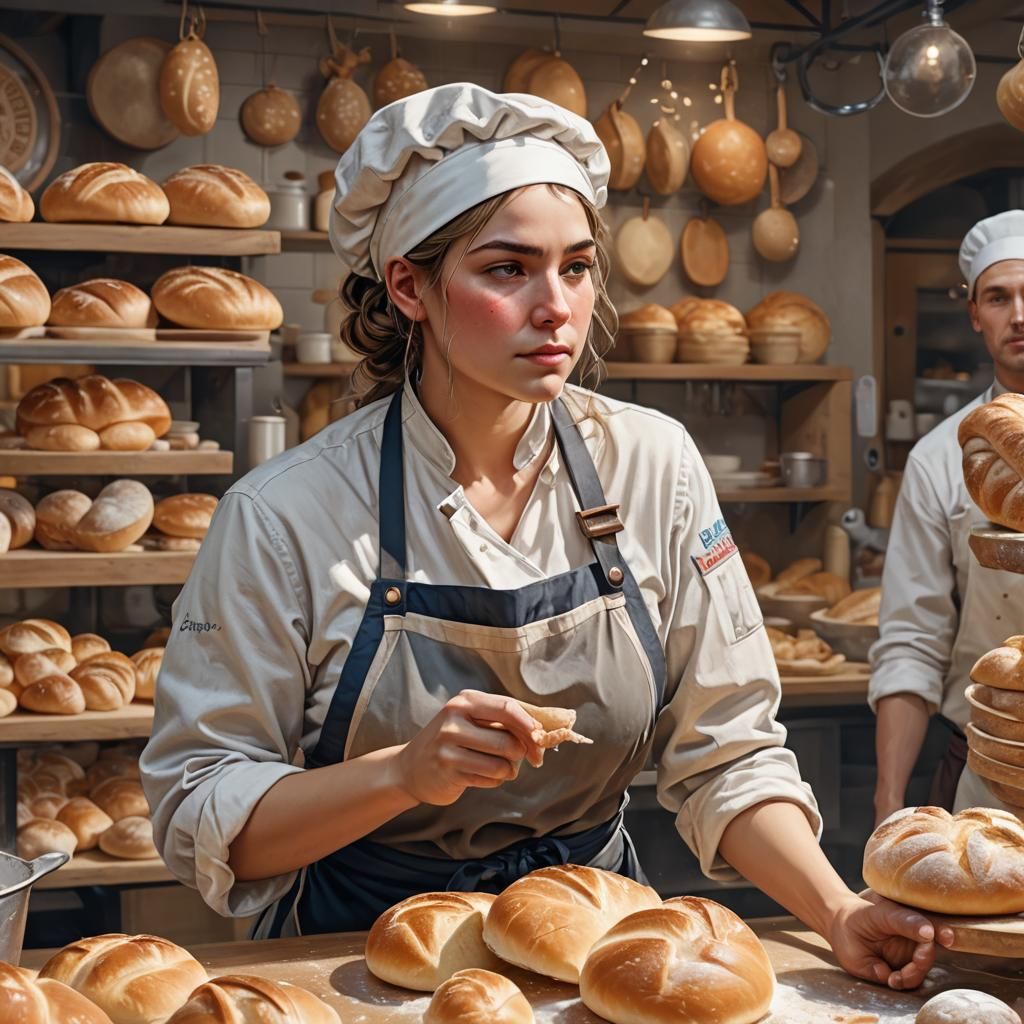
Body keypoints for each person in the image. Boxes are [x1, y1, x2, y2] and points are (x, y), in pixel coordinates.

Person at [142, 83, 949, 988]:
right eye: (506, 269)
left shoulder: (654, 464)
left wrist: (838, 911)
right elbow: (202, 808)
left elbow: (727, 750)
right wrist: (403, 774)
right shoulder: (287, 513)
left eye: (576, 267)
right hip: (361, 956)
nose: (557, 306)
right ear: (409, 284)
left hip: (601, 948)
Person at [870, 210, 1024, 823]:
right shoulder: (942, 458)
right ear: (974, 314)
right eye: (998, 297)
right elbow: (913, 639)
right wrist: (888, 801)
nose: (1018, 314)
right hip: (989, 777)